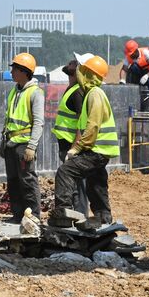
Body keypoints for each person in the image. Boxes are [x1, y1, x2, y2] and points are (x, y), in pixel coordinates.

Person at [49, 54, 118, 229]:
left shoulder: (94, 94)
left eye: (82, 69)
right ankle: (104, 218)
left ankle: (63, 214)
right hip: (100, 150)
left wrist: (77, 148)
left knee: (65, 172)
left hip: (95, 150)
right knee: (96, 183)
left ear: (87, 72)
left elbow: (92, 126)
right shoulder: (92, 93)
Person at [0, 52, 44, 223]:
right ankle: (18, 215)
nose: (12, 72)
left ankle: (33, 216)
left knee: (27, 180)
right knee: (13, 181)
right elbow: (8, 118)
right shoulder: (14, 91)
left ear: (24, 71)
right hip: (11, 143)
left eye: (15, 69)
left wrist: (32, 146)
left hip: (24, 145)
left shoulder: (35, 93)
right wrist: (2, 141)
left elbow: (39, 122)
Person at [50, 59, 89, 214]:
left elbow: (82, 122)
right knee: (71, 183)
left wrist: (75, 147)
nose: (68, 65)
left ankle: (80, 215)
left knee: (77, 185)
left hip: (72, 146)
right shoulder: (71, 89)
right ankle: (75, 214)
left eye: (73, 64)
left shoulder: (78, 91)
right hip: (65, 144)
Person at [124, 39, 149, 111]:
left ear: (136, 50)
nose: (131, 56)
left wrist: (147, 76)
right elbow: (124, 69)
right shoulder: (129, 57)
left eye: (132, 54)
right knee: (132, 67)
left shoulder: (145, 52)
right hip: (142, 71)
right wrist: (122, 80)